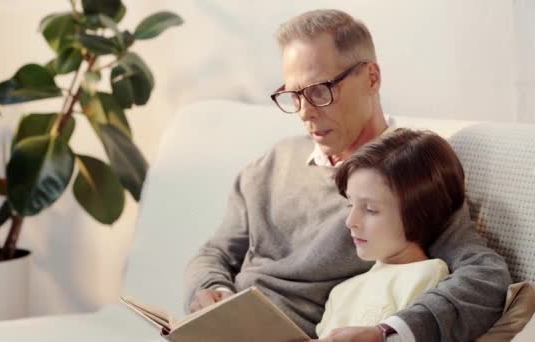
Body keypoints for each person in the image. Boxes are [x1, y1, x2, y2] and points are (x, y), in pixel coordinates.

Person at [183, 9, 511, 342]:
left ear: (371, 77)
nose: (305, 112)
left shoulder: (408, 173)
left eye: (319, 90)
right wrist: (210, 289)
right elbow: (215, 253)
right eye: (293, 95)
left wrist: (388, 333)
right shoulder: (271, 164)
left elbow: (485, 277)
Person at [316, 128, 463, 339]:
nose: (350, 222)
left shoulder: (427, 276)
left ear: (420, 212)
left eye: (370, 210)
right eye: (350, 205)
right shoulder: (341, 293)